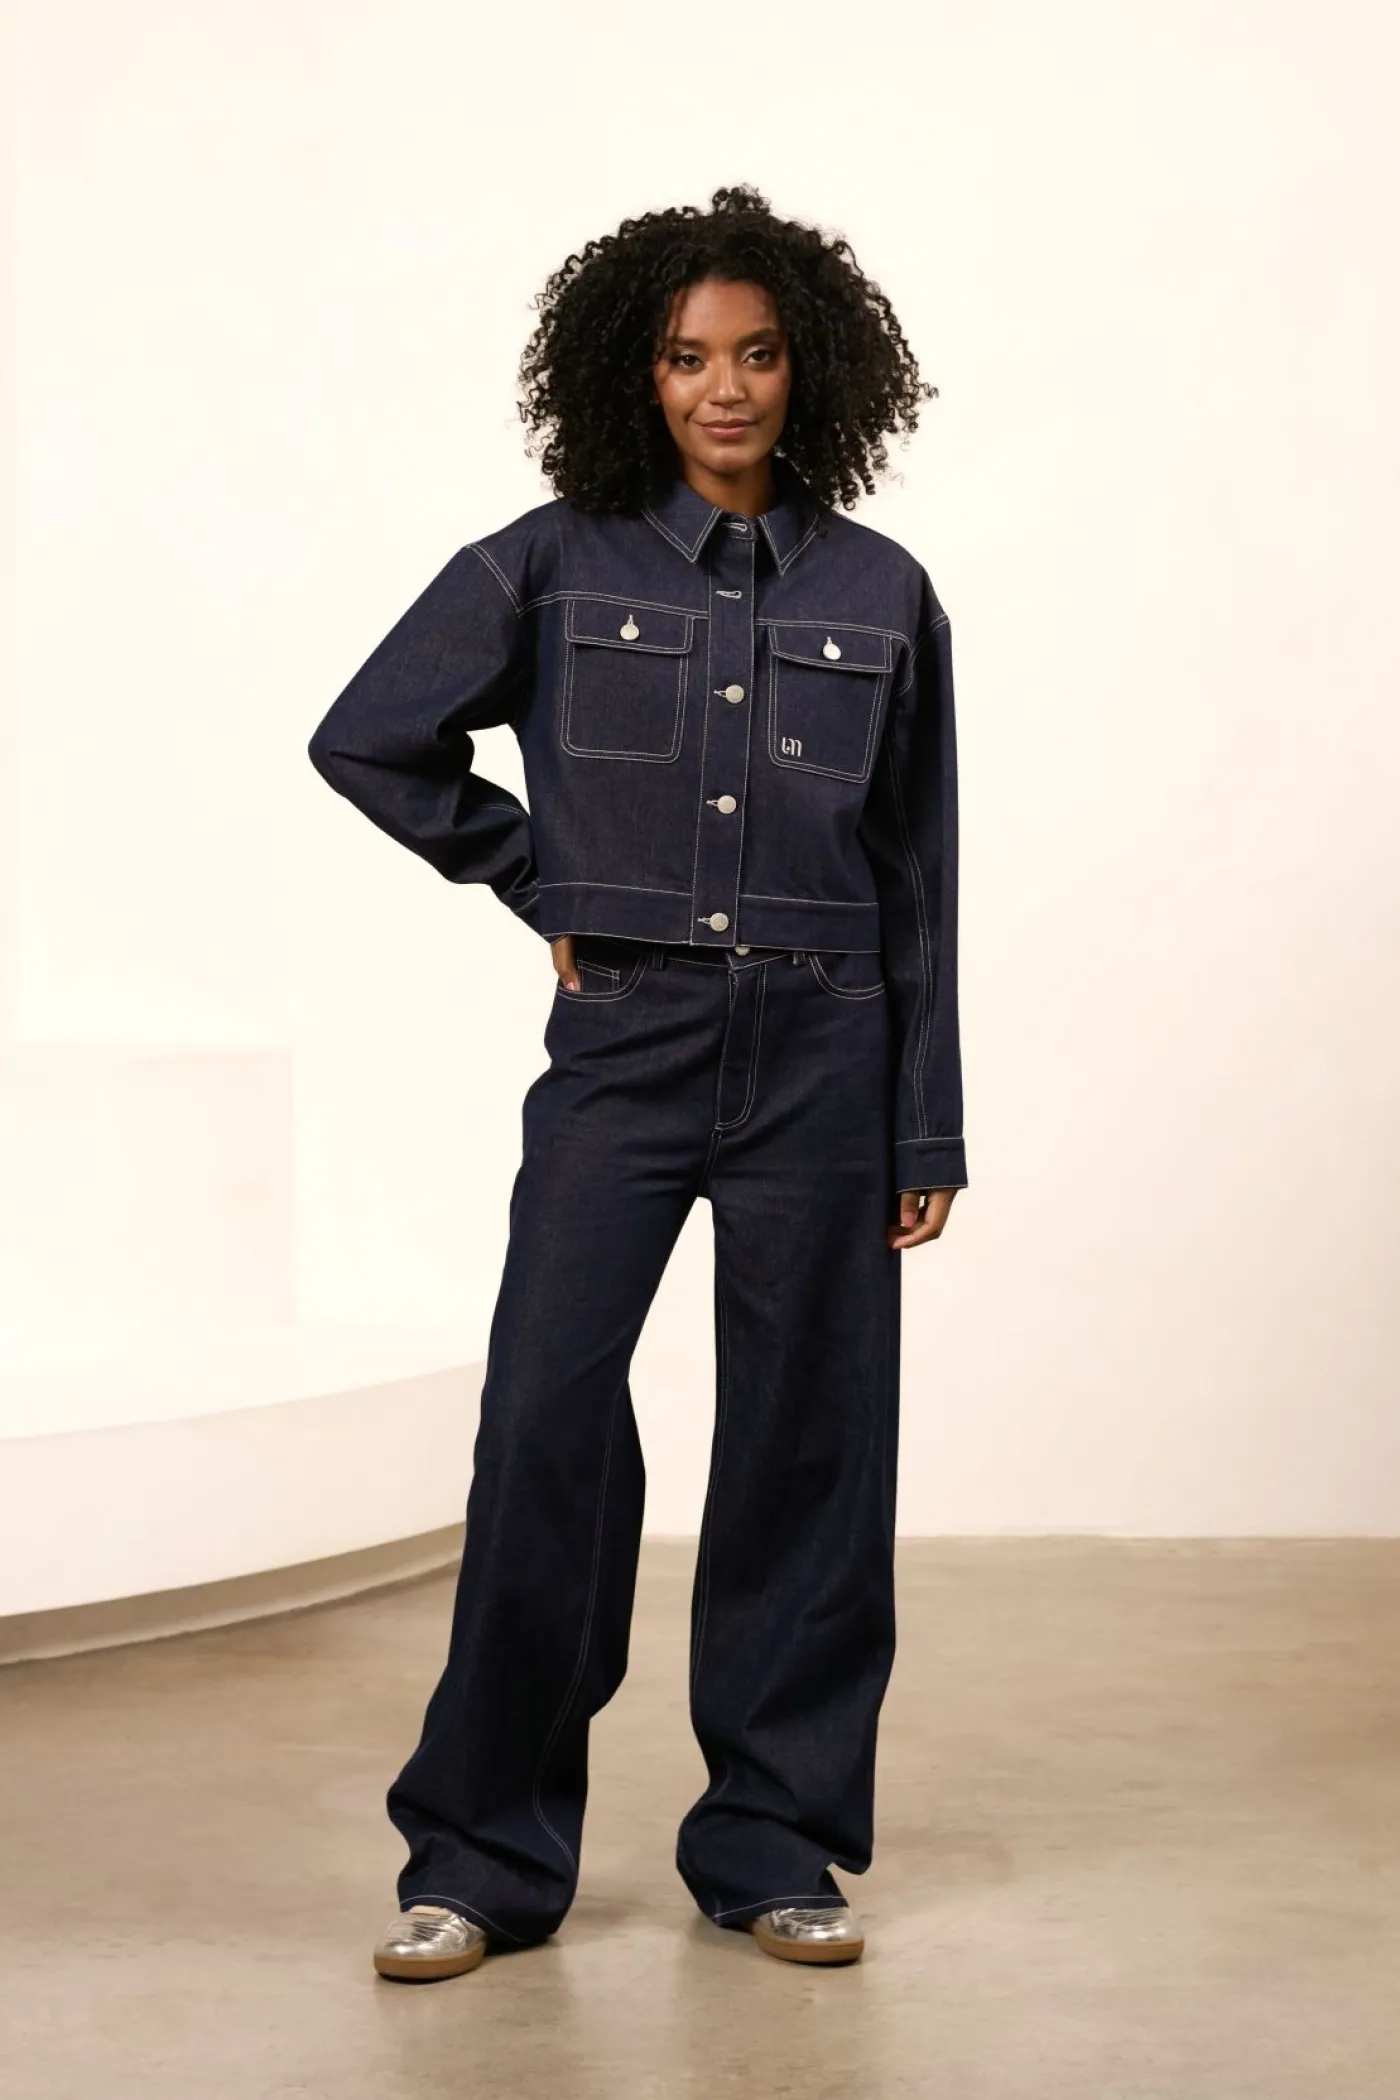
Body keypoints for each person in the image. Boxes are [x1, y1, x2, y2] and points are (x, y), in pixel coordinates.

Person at [306, 181, 967, 1979]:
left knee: (811, 1447)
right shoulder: (549, 561)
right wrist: (546, 879)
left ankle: (774, 1840)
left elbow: (918, 877)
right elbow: (369, 736)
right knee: (546, 1418)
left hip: (829, 1048)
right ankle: (482, 1854)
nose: (723, 388)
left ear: (812, 371)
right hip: (629, 1045)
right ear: (637, 373)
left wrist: (926, 1115)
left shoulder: (884, 593)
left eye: (757, 354)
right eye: (686, 358)